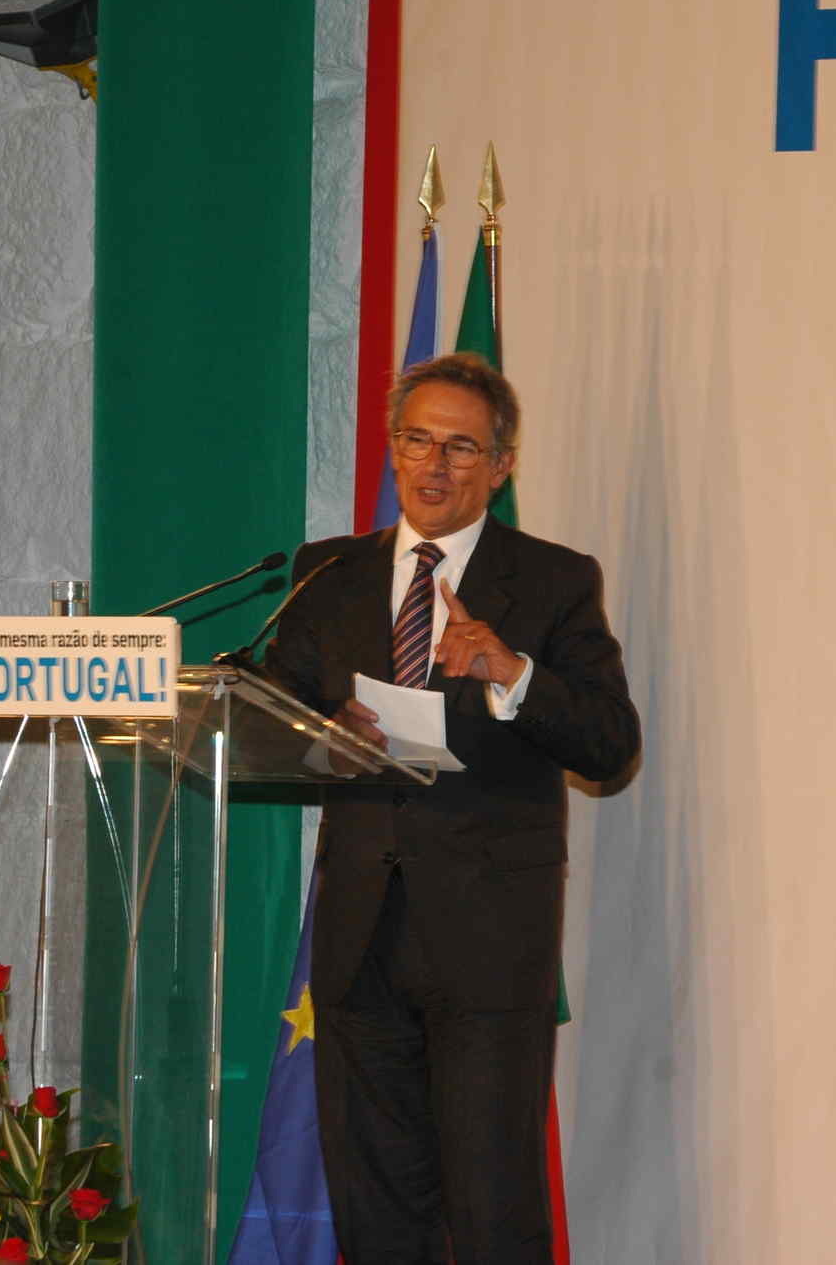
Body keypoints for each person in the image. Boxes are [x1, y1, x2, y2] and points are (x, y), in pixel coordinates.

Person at [262, 352, 640, 1264]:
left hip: (488, 938)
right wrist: (326, 732)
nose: (433, 466)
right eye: (416, 440)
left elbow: (609, 743)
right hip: (360, 933)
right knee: (376, 1206)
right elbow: (270, 717)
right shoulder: (327, 573)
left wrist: (512, 673)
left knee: (491, 1207)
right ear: (392, 448)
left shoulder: (551, 580)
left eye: (461, 448)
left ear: (501, 465)